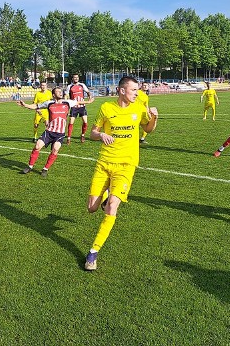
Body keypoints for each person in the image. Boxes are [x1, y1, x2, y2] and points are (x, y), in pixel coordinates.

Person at [84, 76, 158, 271]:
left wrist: (155, 117)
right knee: (92, 208)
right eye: (134, 90)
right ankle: (106, 196)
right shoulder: (106, 108)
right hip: (104, 162)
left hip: (126, 165)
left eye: (138, 90)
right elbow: (92, 133)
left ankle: (93, 252)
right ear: (122, 91)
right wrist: (101, 134)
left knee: (112, 208)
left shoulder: (139, 106)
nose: (137, 93)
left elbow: (148, 129)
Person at [18, 87, 93, 177]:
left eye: (60, 91)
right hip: (49, 132)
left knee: (55, 149)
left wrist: (88, 101)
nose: (60, 93)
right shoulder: (49, 103)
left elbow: (78, 102)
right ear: (53, 95)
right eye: (58, 92)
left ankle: (45, 169)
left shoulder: (67, 102)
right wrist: (25, 105)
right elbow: (36, 106)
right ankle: (30, 166)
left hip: (60, 134)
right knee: (37, 146)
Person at [65, 74, 92, 145]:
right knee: (71, 122)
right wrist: (66, 100)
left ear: (78, 78)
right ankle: (68, 138)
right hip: (74, 107)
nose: (76, 78)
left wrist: (90, 97)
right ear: (73, 78)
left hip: (82, 106)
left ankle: (82, 135)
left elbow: (88, 92)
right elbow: (66, 95)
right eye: (74, 77)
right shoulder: (69, 86)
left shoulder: (82, 85)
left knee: (85, 122)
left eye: (77, 77)